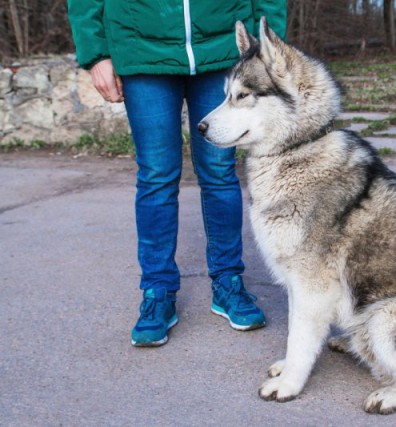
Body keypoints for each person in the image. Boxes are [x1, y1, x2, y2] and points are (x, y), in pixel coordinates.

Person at [67, 1, 287, 346]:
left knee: (219, 171)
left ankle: (228, 283)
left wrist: (270, 46)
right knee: (156, 176)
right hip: (140, 46)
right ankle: (158, 291)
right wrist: (96, 54)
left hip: (221, 45)